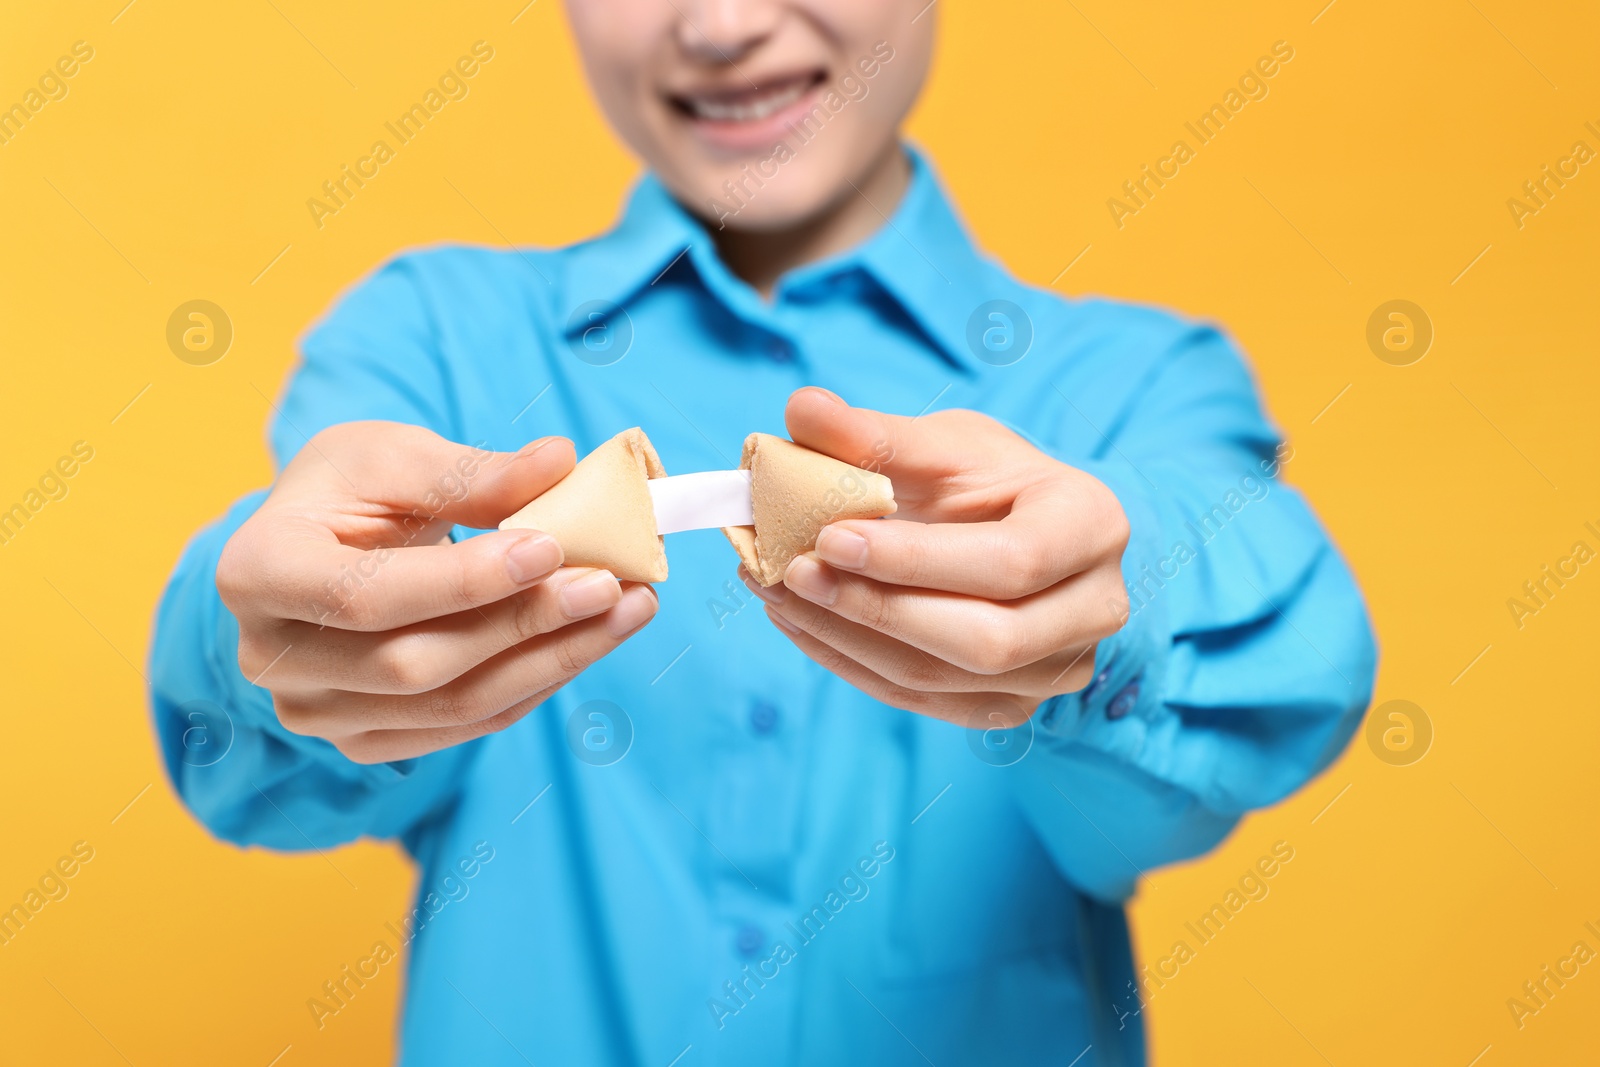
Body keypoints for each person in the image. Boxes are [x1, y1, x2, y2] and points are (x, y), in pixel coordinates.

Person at [147, 1, 1377, 1063]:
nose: (722, 26)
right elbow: (268, 761)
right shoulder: (433, 342)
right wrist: (265, 636)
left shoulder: (1132, 382)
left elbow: (1274, 665)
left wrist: (1116, 598)